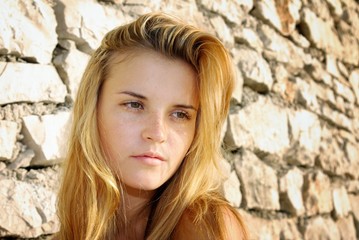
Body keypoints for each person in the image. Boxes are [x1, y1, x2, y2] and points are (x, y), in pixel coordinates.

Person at [55, 12, 248, 240]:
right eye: (135, 105)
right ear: (93, 109)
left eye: (179, 114)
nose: (157, 134)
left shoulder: (206, 227)